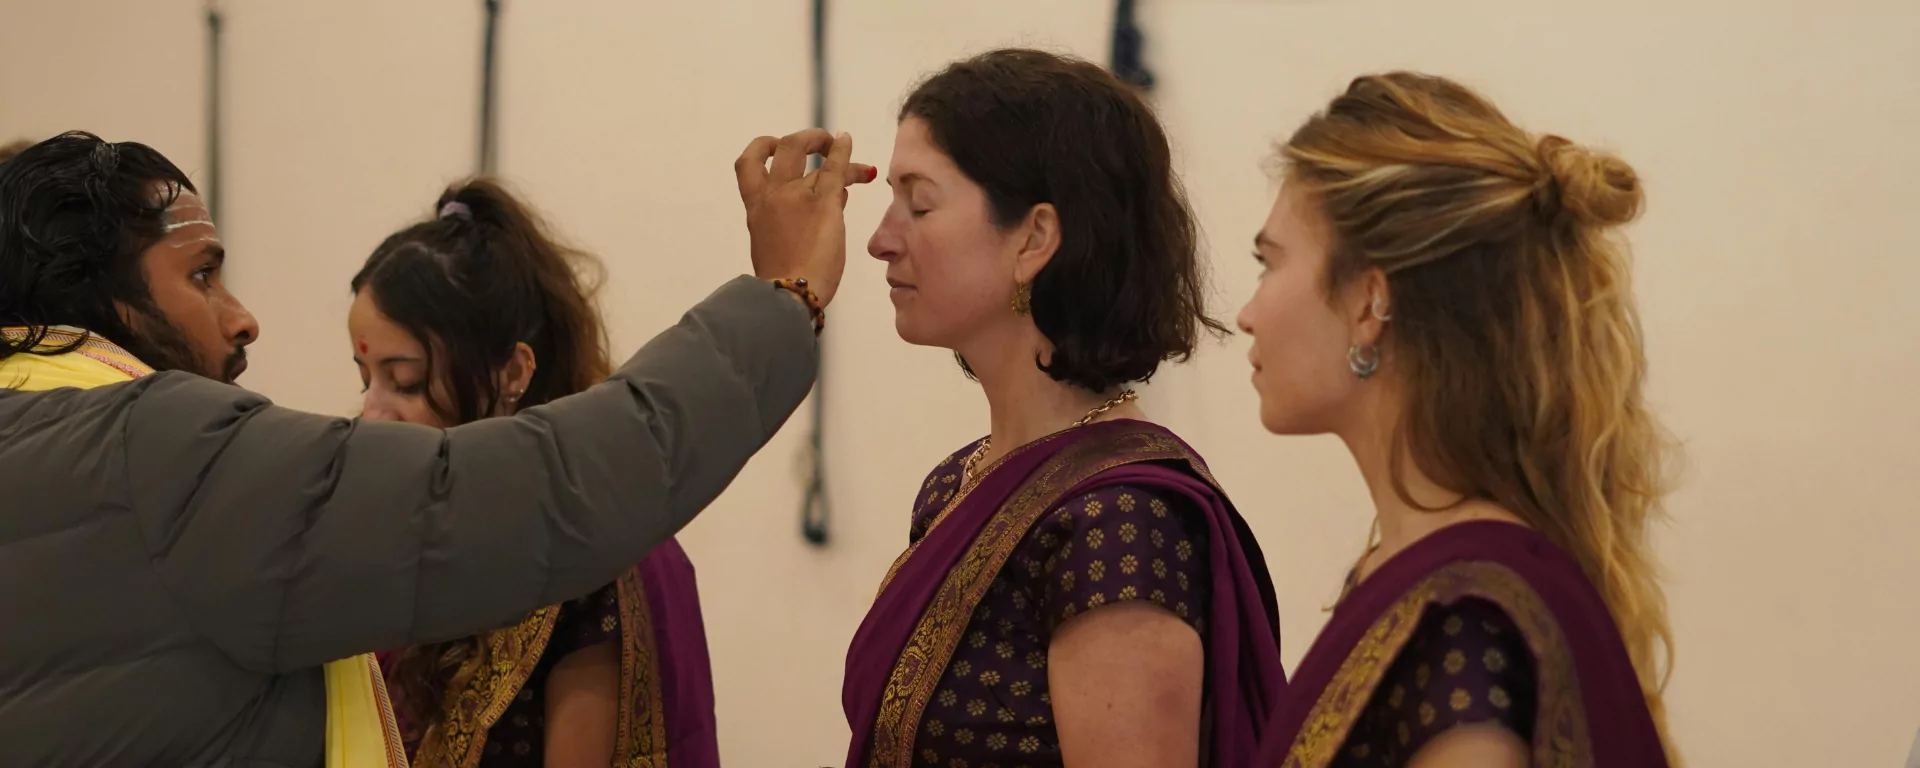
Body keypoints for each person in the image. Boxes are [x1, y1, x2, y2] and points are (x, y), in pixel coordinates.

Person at [0, 128, 873, 765]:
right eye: (201, 274)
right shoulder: (161, 454)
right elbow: (551, 487)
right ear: (107, 307)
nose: (243, 316)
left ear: (513, 372)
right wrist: (782, 296)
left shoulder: (608, 580)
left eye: (408, 380)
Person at [842, 49, 1286, 768]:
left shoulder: (1121, 522)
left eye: (919, 203)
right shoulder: (958, 483)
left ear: (1035, 238)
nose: (881, 239)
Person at [1239, 73, 1675, 767]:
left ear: (1368, 304)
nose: (1248, 313)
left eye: (1269, 263)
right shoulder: (1415, 573)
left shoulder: (1467, 622)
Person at [350, 178, 720, 767]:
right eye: (364, 378)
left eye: (406, 382)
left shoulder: (596, 556)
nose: (370, 414)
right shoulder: (407, 535)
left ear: (511, 373)